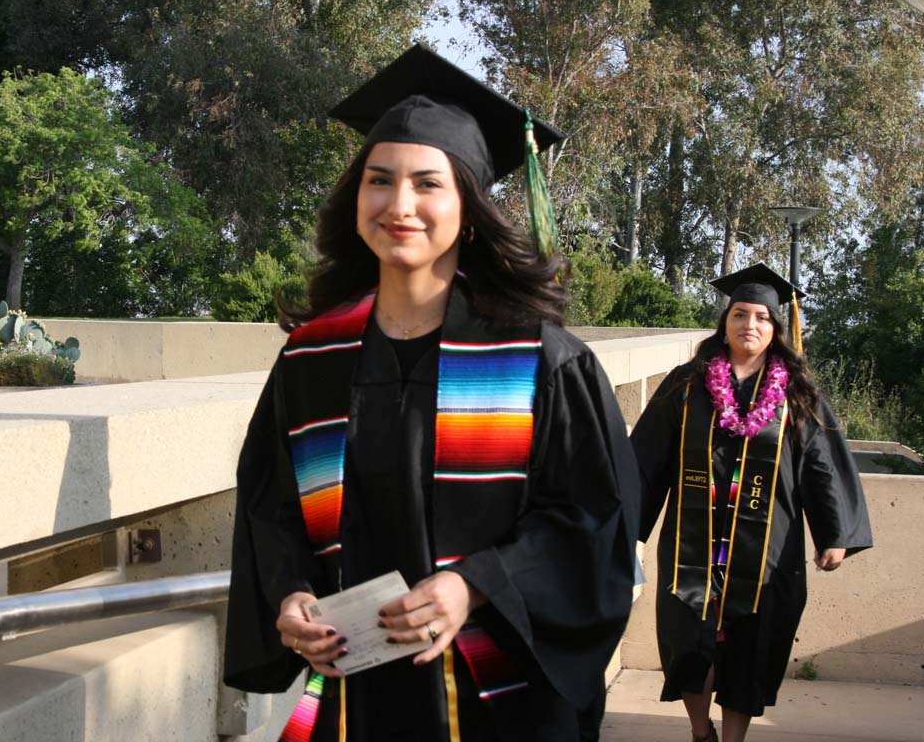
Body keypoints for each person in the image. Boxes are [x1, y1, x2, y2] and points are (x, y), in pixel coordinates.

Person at [222, 44, 641, 741]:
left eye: (427, 184)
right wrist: (292, 595)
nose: (399, 205)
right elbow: (272, 512)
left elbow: (595, 526)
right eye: (379, 181)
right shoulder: (310, 361)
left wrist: (474, 584)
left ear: (468, 210)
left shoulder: (542, 361)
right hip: (355, 693)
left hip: (496, 701)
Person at [631, 263, 873, 742]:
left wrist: (834, 535)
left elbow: (822, 465)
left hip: (767, 550)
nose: (750, 325)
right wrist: (623, 530)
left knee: (751, 646)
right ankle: (702, 733)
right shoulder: (686, 385)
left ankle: (735, 739)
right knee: (688, 642)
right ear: (725, 322)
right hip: (691, 546)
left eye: (762, 317)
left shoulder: (797, 393)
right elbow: (646, 459)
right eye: (740, 314)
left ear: (776, 328)